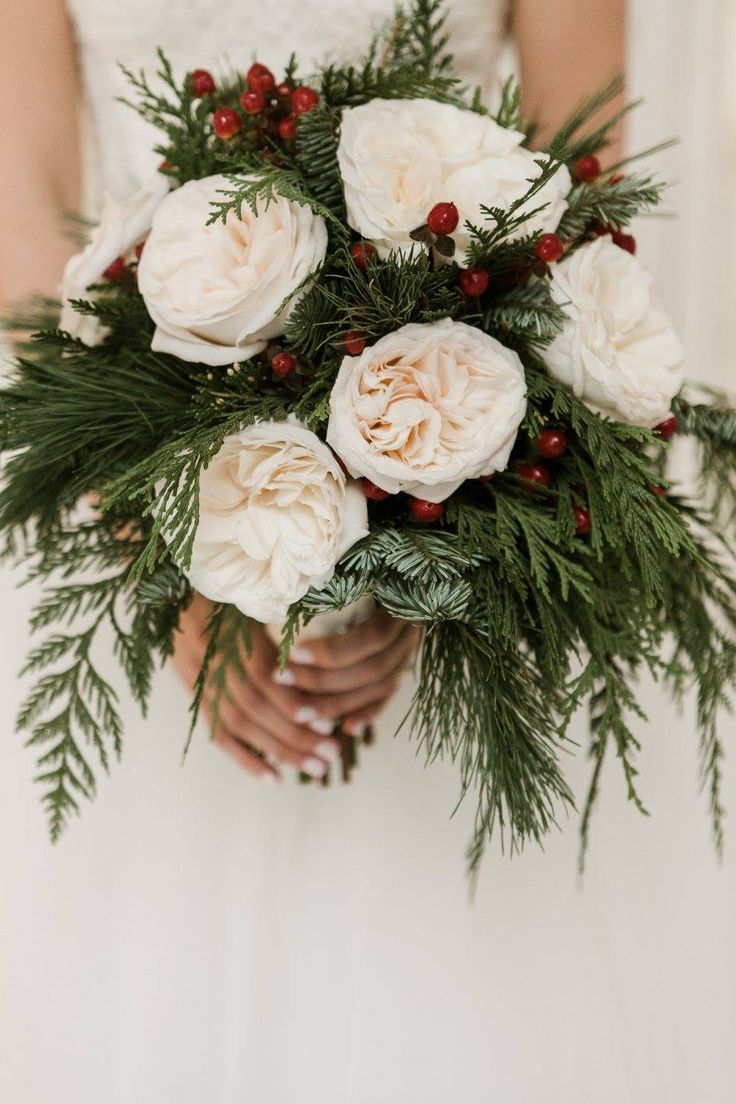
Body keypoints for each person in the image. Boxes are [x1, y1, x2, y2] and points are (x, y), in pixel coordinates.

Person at [3, 3, 732, 1103]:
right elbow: (31, 248)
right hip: (137, 491)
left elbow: (577, 226)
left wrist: (430, 551)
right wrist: (172, 569)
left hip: (466, 494)